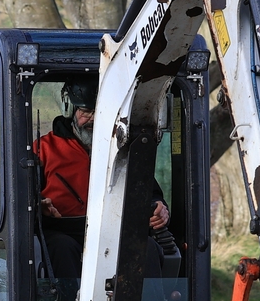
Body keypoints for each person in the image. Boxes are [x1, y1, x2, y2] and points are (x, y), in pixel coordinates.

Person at [35, 78, 169, 278]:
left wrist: (159, 208)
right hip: (63, 232)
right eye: (86, 111)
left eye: (101, 112)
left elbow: (149, 193)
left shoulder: (125, 150)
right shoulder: (43, 149)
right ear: (69, 109)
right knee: (60, 248)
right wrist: (39, 205)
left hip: (113, 230)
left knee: (145, 247)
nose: (94, 119)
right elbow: (18, 198)